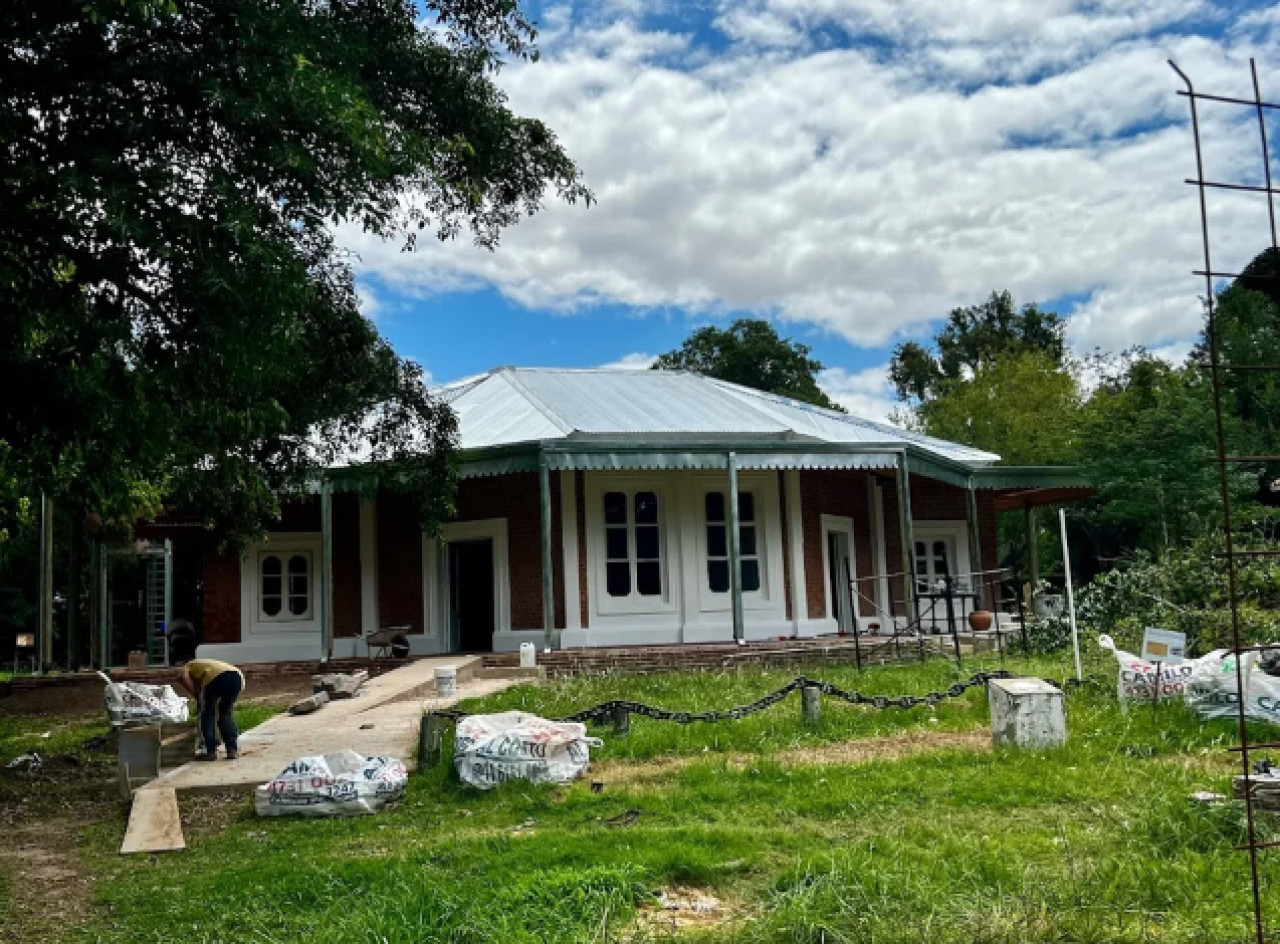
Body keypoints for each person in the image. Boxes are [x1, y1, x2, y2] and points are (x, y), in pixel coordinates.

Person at [176, 658, 245, 761]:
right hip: (238, 678)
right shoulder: (206, 665)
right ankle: (232, 749)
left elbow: (182, 677)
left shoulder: (188, 666)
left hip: (217, 678)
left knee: (207, 714)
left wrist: (197, 696)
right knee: (225, 714)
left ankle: (210, 751)